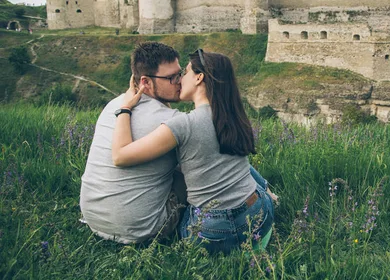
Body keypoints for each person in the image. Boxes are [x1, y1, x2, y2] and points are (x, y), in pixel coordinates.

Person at [112, 49, 275, 254]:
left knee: (184, 204)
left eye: (185, 73)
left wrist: (124, 109)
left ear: (199, 78)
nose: (180, 80)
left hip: (212, 231)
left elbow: (120, 156)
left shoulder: (182, 124)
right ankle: (269, 204)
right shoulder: (231, 116)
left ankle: (233, 246)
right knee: (239, 167)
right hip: (259, 212)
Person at [80, 42, 185, 243]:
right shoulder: (172, 120)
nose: (179, 81)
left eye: (180, 74)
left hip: (95, 220)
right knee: (195, 172)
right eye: (172, 78)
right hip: (142, 229)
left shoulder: (114, 105)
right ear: (145, 81)